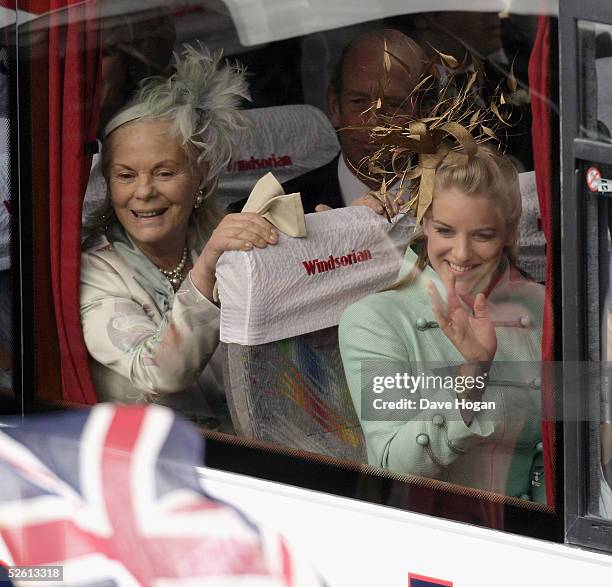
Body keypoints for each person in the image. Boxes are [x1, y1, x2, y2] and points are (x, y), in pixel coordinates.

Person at [339, 136, 546, 501]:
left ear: (511, 232)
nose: (462, 253)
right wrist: (472, 374)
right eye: (446, 231)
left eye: (482, 235)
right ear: (425, 223)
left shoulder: (539, 305)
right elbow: (392, 467)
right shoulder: (374, 320)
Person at [80, 46, 276, 424]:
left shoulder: (221, 243)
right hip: (151, 463)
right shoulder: (94, 270)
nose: (144, 191)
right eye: (126, 175)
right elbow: (158, 371)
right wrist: (205, 273)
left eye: (165, 172)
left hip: (253, 454)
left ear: (200, 177)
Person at [227, 29, 426, 215]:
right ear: (334, 107)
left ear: (424, 114)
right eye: (358, 102)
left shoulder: (452, 196)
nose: (373, 121)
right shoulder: (267, 215)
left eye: (393, 106)